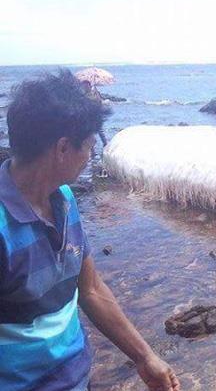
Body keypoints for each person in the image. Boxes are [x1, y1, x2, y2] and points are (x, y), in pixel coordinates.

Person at [0, 70, 181, 391]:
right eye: (89, 146)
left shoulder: (65, 200)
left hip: (76, 377)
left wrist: (144, 357)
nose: (89, 157)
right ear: (62, 148)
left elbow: (91, 289)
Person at [80, 80, 108, 148]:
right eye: (83, 86)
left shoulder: (95, 93)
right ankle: (92, 150)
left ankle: (105, 144)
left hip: (96, 115)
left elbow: (99, 101)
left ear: (90, 86)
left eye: (86, 86)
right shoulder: (84, 95)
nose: (85, 87)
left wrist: (97, 94)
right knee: (90, 133)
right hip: (88, 116)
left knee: (100, 131)